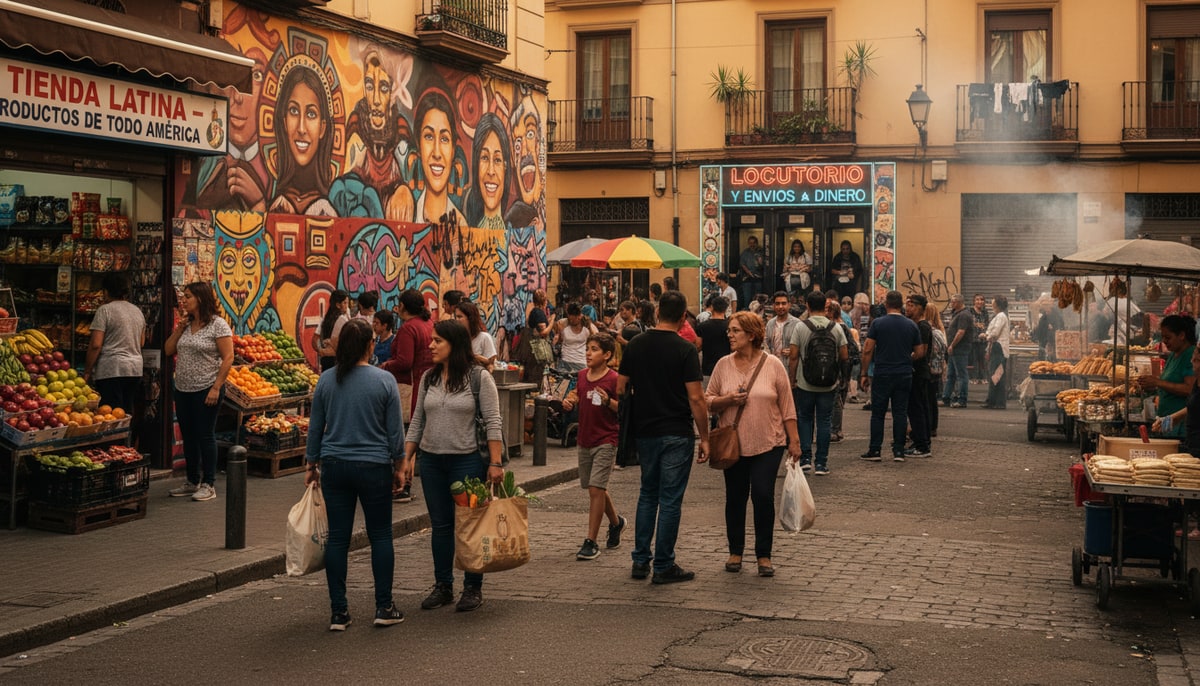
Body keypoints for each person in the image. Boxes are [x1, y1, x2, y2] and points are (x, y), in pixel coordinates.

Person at [304, 318, 406, 631]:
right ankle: (383, 606)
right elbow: (395, 433)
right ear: (369, 346)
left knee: (337, 540)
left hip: (335, 466)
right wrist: (400, 466)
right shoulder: (384, 380)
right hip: (374, 466)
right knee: (380, 536)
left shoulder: (326, 380)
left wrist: (311, 464)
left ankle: (339, 612)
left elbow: (315, 427)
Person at [403, 320, 504, 613]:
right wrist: (407, 457)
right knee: (441, 525)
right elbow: (418, 420)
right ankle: (443, 586)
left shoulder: (478, 378)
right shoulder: (428, 378)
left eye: (438, 341)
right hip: (432, 461)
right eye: (432, 340)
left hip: (467, 460)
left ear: (454, 344)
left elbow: (493, 421)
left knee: (471, 525)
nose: (431, 345)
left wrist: (495, 463)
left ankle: (473, 586)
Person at [617, 291, 709, 584]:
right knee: (670, 500)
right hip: (676, 431)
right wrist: (704, 436)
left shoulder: (635, 345)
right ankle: (664, 564)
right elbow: (696, 398)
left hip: (645, 430)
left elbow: (621, 388)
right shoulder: (685, 350)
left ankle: (640, 560)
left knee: (648, 494)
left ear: (657, 313)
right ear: (683, 317)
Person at [706, 311, 799, 576]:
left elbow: (787, 406)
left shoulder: (773, 365)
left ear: (751, 335)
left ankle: (763, 555)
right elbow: (708, 400)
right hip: (733, 443)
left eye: (735, 331)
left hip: (769, 442)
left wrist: (795, 441)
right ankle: (735, 551)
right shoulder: (723, 364)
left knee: (762, 495)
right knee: (735, 497)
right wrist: (728, 401)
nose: (730, 335)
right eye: (730, 331)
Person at [164, 282, 234, 502]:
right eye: (183, 297)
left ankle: (208, 483)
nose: (184, 301)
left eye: (188, 297)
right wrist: (179, 329)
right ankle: (192, 480)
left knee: (205, 435)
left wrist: (216, 387)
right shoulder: (186, 325)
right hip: (183, 389)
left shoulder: (217, 325)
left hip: (206, 388)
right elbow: (168, 349)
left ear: (201, 299)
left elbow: (228, 357)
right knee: (189, 436)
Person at [560, 333, 626, 561]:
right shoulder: (580, 376)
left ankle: (591, 541)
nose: (588, 353)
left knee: (596, 489)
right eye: (588, 348)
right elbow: (575, 396)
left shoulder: (614, 379)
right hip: (584, 439)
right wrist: (569, 401)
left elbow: (624, 410)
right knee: (594, 487)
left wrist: (608, 401)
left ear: (607, 355)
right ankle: (616, 523)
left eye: (594, 349)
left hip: (606, 439)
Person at [787, 291, 848, 475]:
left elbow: (793, 356)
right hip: (828, 384)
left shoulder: (800, 327)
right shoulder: (836, 328)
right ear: (826, 307)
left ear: (808, 305)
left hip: (805, 383)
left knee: (804, 419)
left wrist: (792, 380)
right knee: (825, 421)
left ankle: (805, 459)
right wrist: (839, 375)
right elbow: (844, 355)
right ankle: (821, 463)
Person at [859, 290, 923, 462]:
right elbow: (920, 351)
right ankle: (899, 451)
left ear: (886, 304)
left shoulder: (878, 324)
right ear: (901, 304)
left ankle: (875, 450)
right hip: (904, 373)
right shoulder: (911, 325)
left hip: (882, 373)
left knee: (878, 413)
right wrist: (907, 358)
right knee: (900, 413)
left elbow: (867, 349)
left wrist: (864, 373)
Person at [270, 63, 337, 216]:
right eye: (293, 110)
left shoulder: (326, 209)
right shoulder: (276, 202)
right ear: (285, 121)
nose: (301, 128)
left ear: (322, 128)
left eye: (311, 114)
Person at [83, 273, 146, 413]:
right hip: (134, 370)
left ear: (106, 291)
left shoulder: (104, 310)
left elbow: (96, 344)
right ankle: (127, 435)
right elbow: (141, 342)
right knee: (127, 410)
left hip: (111, 369)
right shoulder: (137, 311)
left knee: (110, 412)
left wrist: (87, 371)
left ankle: (118, 435)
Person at [411, 91, 467, 226]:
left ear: (453, 150)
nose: (437, 152)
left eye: (444, 139)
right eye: (429, 136)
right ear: (419, 145)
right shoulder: (407, 216)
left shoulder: (461, 226)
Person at [1140, 315, 1198, 437]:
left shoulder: (1191, 356)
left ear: (1181, 336)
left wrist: (1157, 383)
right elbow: (1168, 383)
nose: (1164, 341)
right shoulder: (1173, 355)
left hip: (1182, 428)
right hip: (1167, 424)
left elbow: (1190, 389)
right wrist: (1154, 387)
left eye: (1168, 337)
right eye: (1163, 337)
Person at [462, 113, 513, 230]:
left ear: (506, 166)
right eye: (484, 157)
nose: (491, 171)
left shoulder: (517, 236)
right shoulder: (463, 225)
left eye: (497, 160)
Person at [904, 294, 933, 458]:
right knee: (918, 408)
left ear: (921, 308)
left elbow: (920, 352)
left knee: (917, 409)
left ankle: (922, 445)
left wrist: (905, 359)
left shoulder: (922, 326)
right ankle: (920, 441)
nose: (908, 308)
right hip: (917, 372)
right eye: (907, 304)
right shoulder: (917, 325)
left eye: (912, 305)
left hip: (919, 372)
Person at [943, 294, 973, 408]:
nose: (951, 304)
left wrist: (952, 345)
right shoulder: (957, 313)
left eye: (953, 302)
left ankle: (962, 400)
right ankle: (946, 397)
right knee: (951, 375)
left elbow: (961, 332)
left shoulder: (964, 315)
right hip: (954, 349)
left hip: (959, 348)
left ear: (959, 302)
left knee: (961, 375)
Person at [982, 295, 1011, 409]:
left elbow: (995, 332)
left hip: (998, 347)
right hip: (996, 347)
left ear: (997, 304)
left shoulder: (1001, 316)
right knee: (995, 373)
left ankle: (998, 402)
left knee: (997, 374)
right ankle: (992, 400)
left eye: (993, 301)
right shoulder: (999, 315)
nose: (991, 302)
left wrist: (986, 335)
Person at [694, 295, 731, 386]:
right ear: (725, 309)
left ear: (712, 307)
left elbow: (698, 346)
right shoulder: (730, 326)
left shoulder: (702, 326)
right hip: (727, 369)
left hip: (708, 369)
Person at [923, 302, 947, 439]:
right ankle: (933, 427)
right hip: (937, 368)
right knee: (933, 398)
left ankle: (928, 425)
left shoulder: (927, 328)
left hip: (928, 368)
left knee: (926, 398)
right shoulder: (940, 330)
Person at [554, 302, 597, 375]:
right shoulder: (563, 324)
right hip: (566, 361)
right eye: (570, 319)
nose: (571, 321)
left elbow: (595, 338)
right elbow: (559, 341)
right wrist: (560, 333)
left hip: (581, 362)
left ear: (579, 316)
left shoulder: (587, 327)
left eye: (573, 319)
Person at [313, 290, 350, 372]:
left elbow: (314, 340)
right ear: (337, 305)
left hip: (326, 361)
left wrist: (321, 351)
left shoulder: (325, 319)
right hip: (338, 361)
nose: (347, 306)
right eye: (345, 303)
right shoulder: (343, 320)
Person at [455, 300, 497, 370]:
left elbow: (490, 363)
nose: (457, 320)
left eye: (460, 317)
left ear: (470, 318)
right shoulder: (457, 338)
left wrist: (475, 357)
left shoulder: (484, 337)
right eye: (456, 317)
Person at [765, 291, 800, 364]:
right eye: (777, 304)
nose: (780, 307)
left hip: (790, 366)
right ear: (773, 306)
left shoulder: (797, 324)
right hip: (773, 366)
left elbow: (803, 347)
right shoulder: (770, 324)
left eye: (783, 303)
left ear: (789, 305)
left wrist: (794, 351)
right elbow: (766, 344)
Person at [1031, 297, 1064, 361]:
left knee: (1051, 361)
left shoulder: (1056, 316)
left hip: (1051, 344)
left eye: (1045, 305)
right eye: (1043, 305)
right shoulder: (1044, 316)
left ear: (1050, 305)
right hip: (1043, 343)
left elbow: (1059, 328)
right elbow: (1040, 329)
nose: (1043, 307)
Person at [738, 236, 765, 309]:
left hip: (758, 277)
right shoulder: (745, 252)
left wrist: (760, 261)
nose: (752, 245)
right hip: (747, 278)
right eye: (750, 243)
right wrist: (749, 272)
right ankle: (747, 312)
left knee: (758, 297)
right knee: (747, 297)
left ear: (756, 243)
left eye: (754, 243)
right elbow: (742, 264)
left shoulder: (761, 252)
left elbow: (764, 265)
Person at [970, 294, 991, 382]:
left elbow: (987, 325)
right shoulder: (970, 312)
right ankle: (973, 378)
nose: (980, 301)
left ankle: (983, 377)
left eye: (982, 300)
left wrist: (985, 334)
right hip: (973, 340)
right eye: (977, 300)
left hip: (983, 340)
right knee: (974, 359)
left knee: (983, 360)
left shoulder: (985, 312)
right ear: (974, 301)